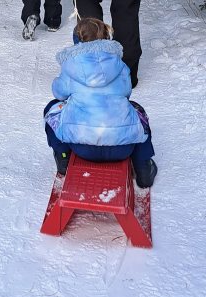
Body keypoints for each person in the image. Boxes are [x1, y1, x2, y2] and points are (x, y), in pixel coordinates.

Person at [43, 17, 157, 187]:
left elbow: (59, 93)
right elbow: (127, 93)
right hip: (122, 147)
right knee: (139, 113)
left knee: (51, 108)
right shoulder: (119, 64)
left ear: (77, 40)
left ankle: (63, 158)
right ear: (106, 38)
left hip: (81, 147)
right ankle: (143, 167)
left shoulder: (71, 66)